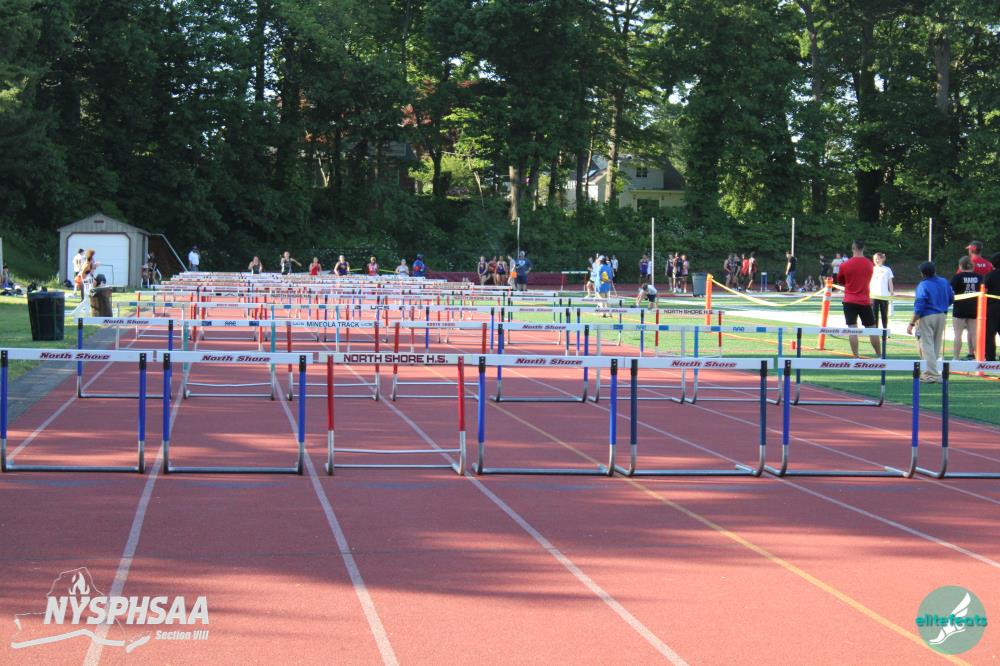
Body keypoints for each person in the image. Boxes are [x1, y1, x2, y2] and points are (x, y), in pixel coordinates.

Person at [907, 262, 954, 383]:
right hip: (942, 315)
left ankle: (931, 375)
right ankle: (931, 372)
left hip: (927, 316)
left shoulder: (923, 285)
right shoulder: (944, 281)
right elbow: (951, 298)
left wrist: (911, 323)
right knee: (936, 346)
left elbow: (919, 305)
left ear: (922, 274)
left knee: (926, 346)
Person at [836, 240, 881, 358]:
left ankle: (856, 357)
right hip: (864, 301)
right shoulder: (869, 264)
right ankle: (879, 355)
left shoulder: (844, 265)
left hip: (849, 300)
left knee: (852, 329)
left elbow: (841, 281)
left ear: (853, 248)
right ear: (863, 248)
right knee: (872, 329)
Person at [950, 256, 981, 360]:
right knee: (974, 334)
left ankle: (956, 357)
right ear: (973, 266)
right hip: (974, 308)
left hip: (960, 308)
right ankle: (978, 357)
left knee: (958, 334)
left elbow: (951, 292)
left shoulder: (957, 277)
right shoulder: (979, 277)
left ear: (960, 266)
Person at [869, 252, 894, 329]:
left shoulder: (887, 269)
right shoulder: (872, 269)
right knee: (874, 315)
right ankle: (875, 331)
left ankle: (884, 330)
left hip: (884, 296)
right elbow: (868, 281)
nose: (876, 260)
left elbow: (890, 282)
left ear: (882, 259)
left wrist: (891, 292)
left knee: (884, 314)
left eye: (878, 259)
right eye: (875, 259)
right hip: (874, 295)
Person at [984, 253, 1000, 361]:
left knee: (990, 333)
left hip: (992, 307)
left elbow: (984, 291)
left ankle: (990, 357)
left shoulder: (989, 275)